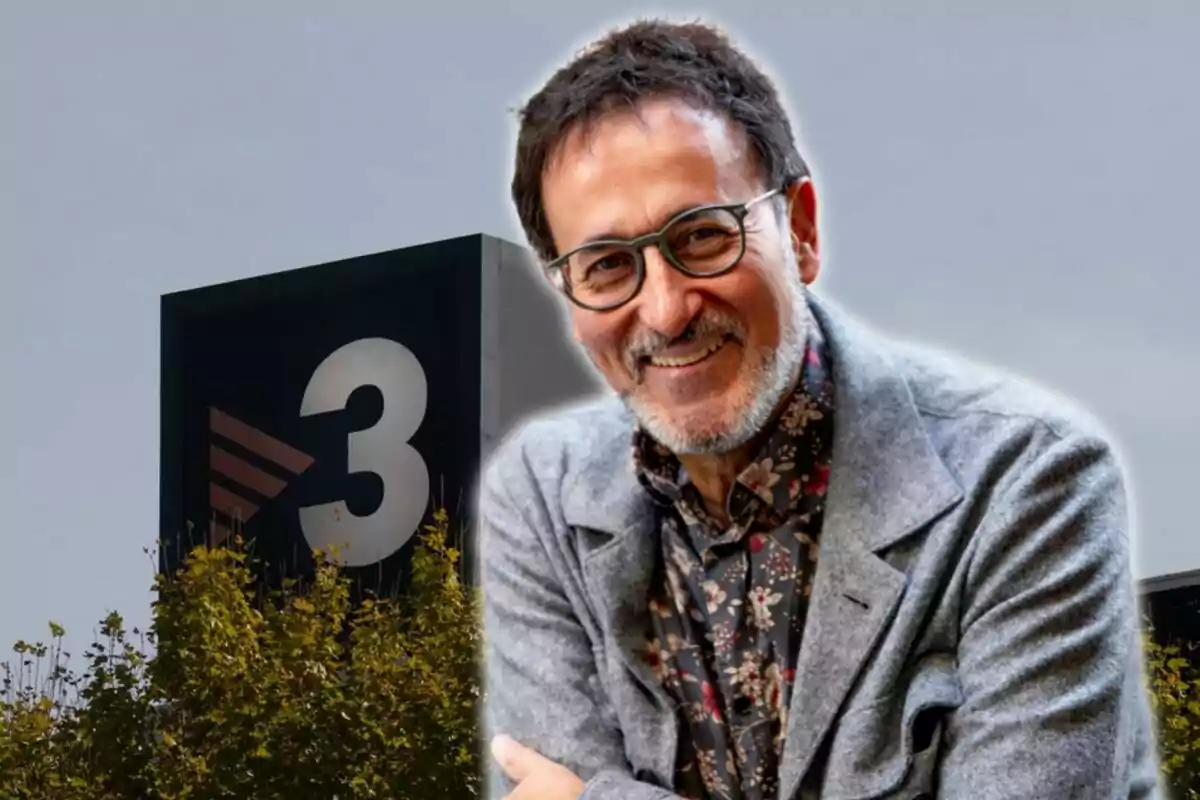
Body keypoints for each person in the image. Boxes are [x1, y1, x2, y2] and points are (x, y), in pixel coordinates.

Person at [478, 18, 1160, 800]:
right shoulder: (535, 499)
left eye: (702, 237)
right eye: (605, 266)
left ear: (799, 230)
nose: (664, 311)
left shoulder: (1029, 484)